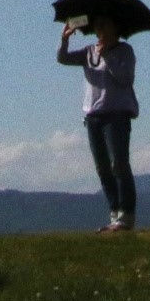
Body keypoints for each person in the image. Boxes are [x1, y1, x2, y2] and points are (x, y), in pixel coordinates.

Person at [58, 15, 138, 231]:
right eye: (97, 25)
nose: (99, 28)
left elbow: (125, 79)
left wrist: (108, 58)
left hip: (116, 114)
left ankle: (126, 214)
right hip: (93, 115)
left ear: (114, 27)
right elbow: (63, 58)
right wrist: (65, 39)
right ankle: (114, 212)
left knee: (119, 164)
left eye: (104, 24)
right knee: (103, 167)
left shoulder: (124, 51)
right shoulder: (88, 52)